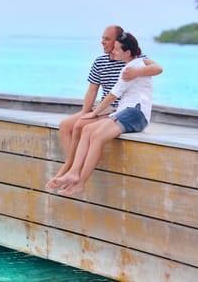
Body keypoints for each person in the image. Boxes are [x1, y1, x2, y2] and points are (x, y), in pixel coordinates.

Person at [46, 26, 162, 190]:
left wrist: (137, 72)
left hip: (126, 110)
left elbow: (115, 93)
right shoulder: (105, 62)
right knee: (76, 127)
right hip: (120, 109)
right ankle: (71, 170)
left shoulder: (133, 64)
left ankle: (77, 175)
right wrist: (87, 112)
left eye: (109, 40)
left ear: (122, 47)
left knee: (88, 131)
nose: (103, 43)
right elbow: (92, 90)